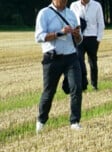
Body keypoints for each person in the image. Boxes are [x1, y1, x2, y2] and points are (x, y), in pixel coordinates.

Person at [35, 0, 83, 132]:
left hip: (71, 56)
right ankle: (41, 121)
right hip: (52, 58)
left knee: (76, 88)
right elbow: (39, 37)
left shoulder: (72, 14)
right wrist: (59, 33)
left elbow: (79, 40)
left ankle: (75, 121)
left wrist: (77, 35)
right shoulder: (44, 14)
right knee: (49, 91)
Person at [70, 0, 102, 90]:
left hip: (92, 37)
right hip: (79, 38)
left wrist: (98, 39)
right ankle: (83, 85)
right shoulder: (74, 5)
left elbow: (101, 23)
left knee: (93, 62)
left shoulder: (97, 5)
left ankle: (94, 84)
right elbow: (71, 21)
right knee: (79, 61)